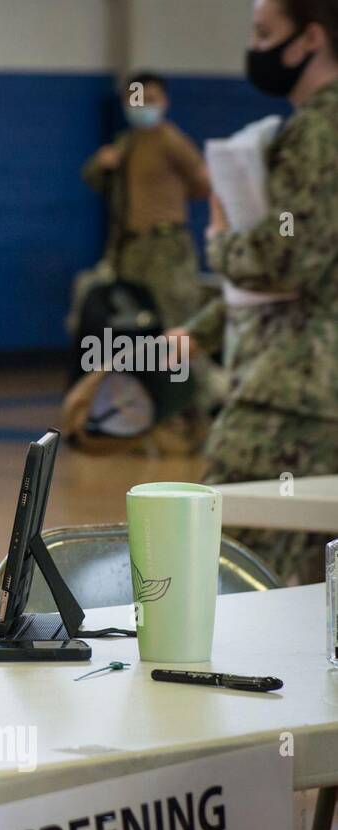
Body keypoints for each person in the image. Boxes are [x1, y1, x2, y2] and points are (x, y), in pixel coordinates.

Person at [171, 0, 338, 585]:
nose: (255, 47)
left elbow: (281, 265)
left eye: (265, 33)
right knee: (311, 584)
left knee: (228, 570)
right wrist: (206, 329)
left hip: (290, 398)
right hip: (306, 388)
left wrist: (219, 237)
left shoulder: (319, 131)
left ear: (310, 38)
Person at [81, 72, 212, 333]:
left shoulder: (171, 140)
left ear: (164, 102)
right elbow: (93, 179)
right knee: (133, 322)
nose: (142, 105)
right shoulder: (126, 142)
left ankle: (185, 374)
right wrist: (101, 164)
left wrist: (170, 200)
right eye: (137, 99)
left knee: (176, 320)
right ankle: (143, 373)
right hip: (130, 246)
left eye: (150, 98)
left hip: (165, 246)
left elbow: (204, 182)